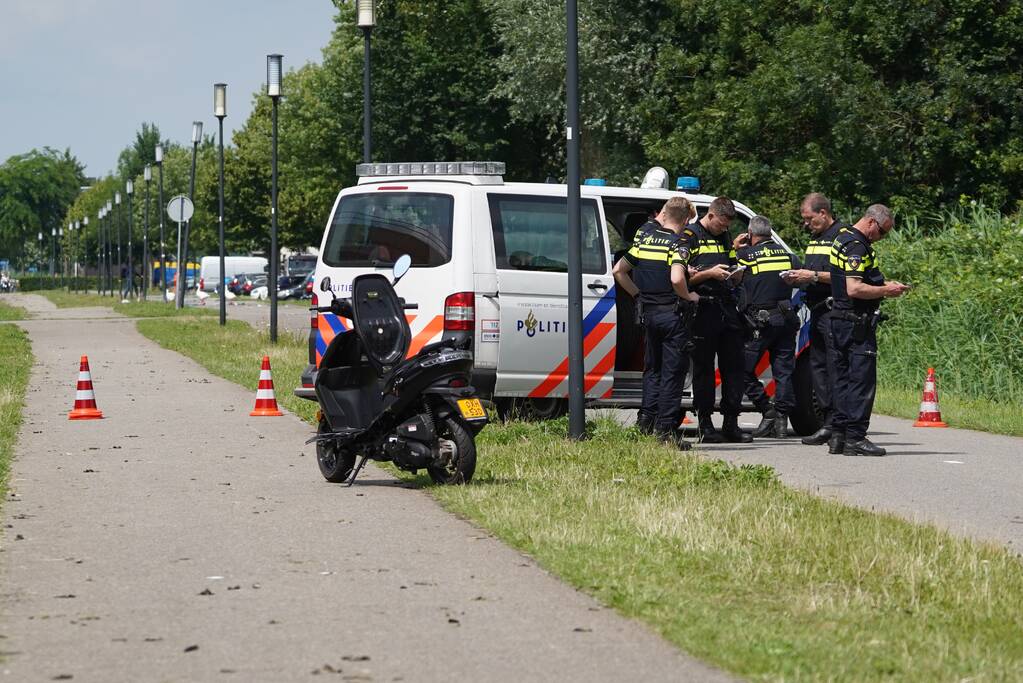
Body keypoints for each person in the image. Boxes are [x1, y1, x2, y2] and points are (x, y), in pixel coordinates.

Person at [613, 198, 700, 449]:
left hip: (649, 314)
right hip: (673, 315)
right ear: (684, 221)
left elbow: (619, 270)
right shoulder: (678, 244)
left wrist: (638, 294)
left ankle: (645, 422)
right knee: (673, 374)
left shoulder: (646, 240)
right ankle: (665, 432)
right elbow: (675, 278)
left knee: (652, 371)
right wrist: (689, 294)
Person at [828, 204, 909, 456]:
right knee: (861, 381)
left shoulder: (841, 238)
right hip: (856, 324)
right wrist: (886, 291)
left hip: (840, 320)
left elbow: (854, 280)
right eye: (883, 232)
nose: (881, 238)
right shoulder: (857, 247)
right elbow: (854, 288)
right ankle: (856, 438)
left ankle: (838, 436)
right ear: (872, 222)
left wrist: (884, 284)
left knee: (841, 380)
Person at [781, 193, 849, 446]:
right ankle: (828, 422)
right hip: (816, 311)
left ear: (823, 213)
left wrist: (813, 276)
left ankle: (840, 425)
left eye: (810, 218)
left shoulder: (843, 237)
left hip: (835, 312)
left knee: (835, 368)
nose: (807, 224)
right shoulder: (815, 239)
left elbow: (847, 276)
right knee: (818, 369)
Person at [683, 197, 753, 443]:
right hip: (702, 309)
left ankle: (731, 423)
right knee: (703, 370)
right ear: (710, 216)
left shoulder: (724, 236)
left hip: (726, 307)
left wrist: (736, 274)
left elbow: (731, 263)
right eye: (721, 224)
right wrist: (708, 274)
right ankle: (705, 424)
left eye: (727, 226)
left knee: (734, 368)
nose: (724, 230)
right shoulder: (690, 236)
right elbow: (679, 280)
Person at [737, 216, 802, 438]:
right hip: (785, 320)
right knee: (784, 372)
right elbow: (800, 280)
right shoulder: (789, 257)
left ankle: (767, 409)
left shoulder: (745, 255)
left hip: (760, 323)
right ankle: (781, 420)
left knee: (742, 370)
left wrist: (735, 248)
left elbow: (730, 277)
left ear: (750, 234)